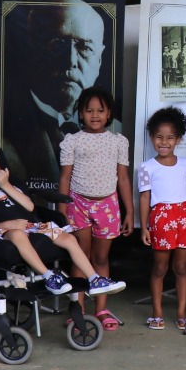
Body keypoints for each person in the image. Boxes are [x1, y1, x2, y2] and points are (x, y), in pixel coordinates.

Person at [0, 146, 126, 298]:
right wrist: (10, 225)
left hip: (30, 226)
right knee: (17, 234)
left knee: (68, 239)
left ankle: (94, 279)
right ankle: (49, 276)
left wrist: (6, 185)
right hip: (3, 233)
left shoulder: (10, 187)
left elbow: (29, 206)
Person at [0, 0, 112, 189]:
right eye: (57, 45)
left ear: (99, 61)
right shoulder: (2, 134)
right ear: (32, 51)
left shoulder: (115, 133)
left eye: (85, 47)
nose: (70, 61)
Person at [58, 87, 133, 333]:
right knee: (80, 257)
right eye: (89, 111)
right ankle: (77, 308)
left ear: (109, 113)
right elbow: (65, 178)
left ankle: (101, 309)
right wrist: (61, 209)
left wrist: (129, 212)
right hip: (77, 204)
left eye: (100, 111)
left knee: (101, 258)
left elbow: (123, 179)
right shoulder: (72, 141)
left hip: (108, 206)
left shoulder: (119, 141)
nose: (95, 115)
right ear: (80, 113)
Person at [139, 107, 186, 330]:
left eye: (170, 137)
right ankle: (157, 311)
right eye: (158, 137)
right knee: (160, 268)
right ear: (152, 138)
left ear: (179, 139)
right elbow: (145, 198)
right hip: (161, 218)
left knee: (181, 268)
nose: (164, 142)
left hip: (184, 217)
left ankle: (182, 312)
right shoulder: (147, 167)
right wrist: (144, 227)